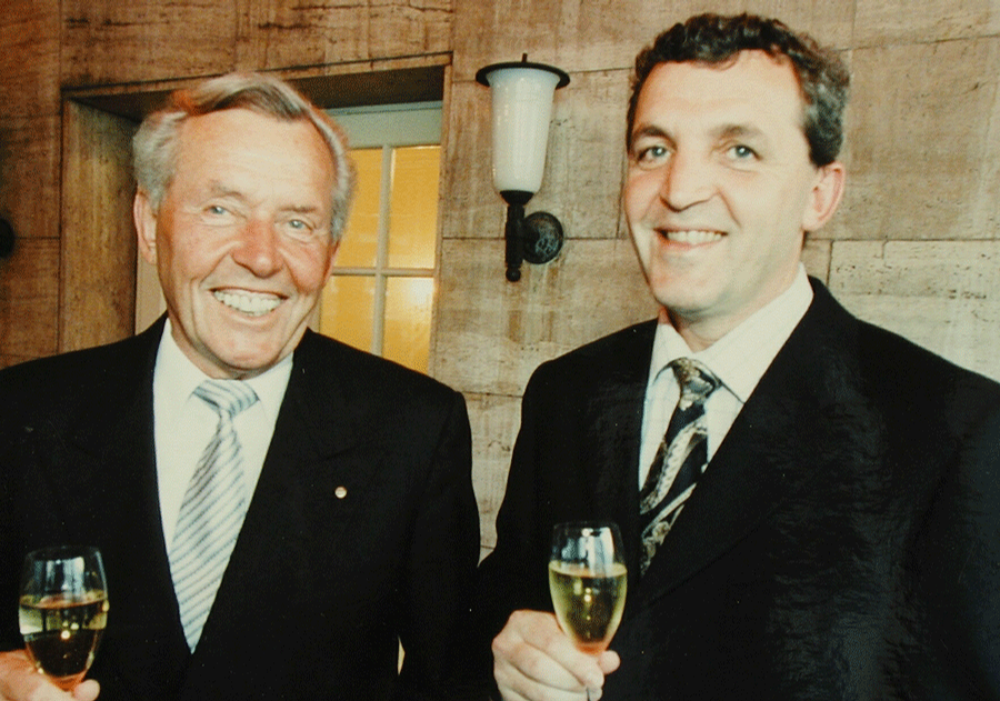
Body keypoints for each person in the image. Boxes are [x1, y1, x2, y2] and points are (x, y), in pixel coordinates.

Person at [473, 12, 1000, 700]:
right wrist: (505, 661)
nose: (680, 189)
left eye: (740, 150)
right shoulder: (565, 393)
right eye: (654, 150)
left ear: (820, 194)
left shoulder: (952, 432)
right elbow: (490, 624)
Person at [0, 72, 479, 701]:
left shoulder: (415, 429)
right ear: (149, 224)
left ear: (331, 252)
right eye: (220, 209)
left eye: (298, 223)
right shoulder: (22, 414)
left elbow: (451, 682)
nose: (261, 256)